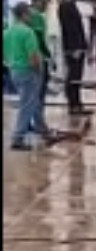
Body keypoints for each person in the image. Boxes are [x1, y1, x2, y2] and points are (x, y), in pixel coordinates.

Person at [4, 2, 42, 150]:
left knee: (29, 101)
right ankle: (17, 138)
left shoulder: (6, 32)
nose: (31, 16)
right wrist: (38, 70)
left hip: (14, 71)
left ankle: (38, 127)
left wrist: (11, 62)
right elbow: (33, 56)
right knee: (27, 105)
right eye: (29, 13)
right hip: (28, 72)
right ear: (24, 14)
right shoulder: (27, 32)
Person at [57, 0, 89, 115]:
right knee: (74, 76)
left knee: (76, 76)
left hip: (76, 46)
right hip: (74, 47)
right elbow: (70, 28)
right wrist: (74, 47)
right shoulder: (66, 6)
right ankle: (74, 105)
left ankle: (77, 103)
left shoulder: (69, 5)